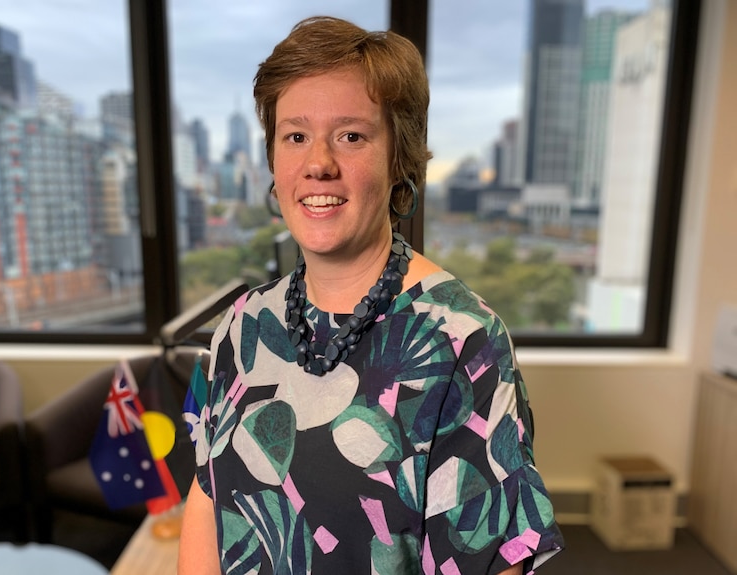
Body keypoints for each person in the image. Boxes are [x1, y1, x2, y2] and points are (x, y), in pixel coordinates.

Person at [179, 16, 564, 574]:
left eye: (351, 136)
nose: (318, 164)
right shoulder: (241, 326)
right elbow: (206, 498)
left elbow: (491, 558)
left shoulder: (463, 343)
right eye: (295, 136)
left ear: (398, 159)